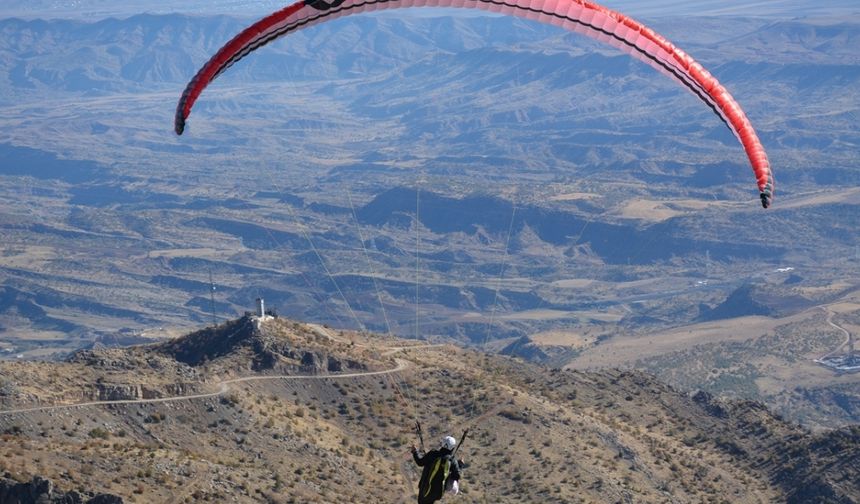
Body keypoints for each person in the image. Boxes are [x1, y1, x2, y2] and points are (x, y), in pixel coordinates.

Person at [411, 435, 461, 504]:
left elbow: (420, 462)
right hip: (437, 493)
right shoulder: (452, 461)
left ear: (442, 444)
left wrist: (415, 452)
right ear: (452, 448)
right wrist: (459, 465)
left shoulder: (432, 454)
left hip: (425, 489)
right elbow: (457, 476)